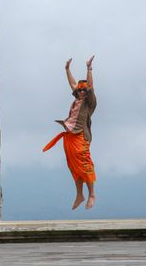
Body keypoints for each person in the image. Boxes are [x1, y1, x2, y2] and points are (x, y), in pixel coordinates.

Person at [43, 56, 97, 210]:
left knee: (85, 163)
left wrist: (89, 68)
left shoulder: (89, 101)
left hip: (81, 136)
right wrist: (67, 69)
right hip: (70, 136)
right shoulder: (77, 100)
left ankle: (92, 194)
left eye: (83, 90)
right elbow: (73, 84)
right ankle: (79, 194)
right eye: (79, 90)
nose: (81, 92)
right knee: (74, 166)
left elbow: (91, 85)